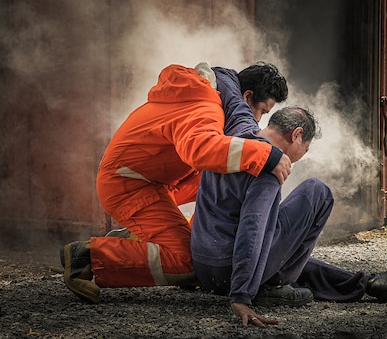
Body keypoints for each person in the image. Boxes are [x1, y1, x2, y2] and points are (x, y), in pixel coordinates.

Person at [61, 61, 289, 304]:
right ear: (247, 96)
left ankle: (132, 238)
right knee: (189, 261)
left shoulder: (202, 95)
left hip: (146, 181)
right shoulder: (206, 105)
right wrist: (266, 155)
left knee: (217, 190)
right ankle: (88, 256)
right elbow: (201, 150)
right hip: (128, 186)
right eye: (262, 112)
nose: (258, 121)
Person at [191, 106, 387, 328]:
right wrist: (241, 296)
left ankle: (367, 283)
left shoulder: (233, 139)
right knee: (317, 191)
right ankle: (274, 283)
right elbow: (252, 230)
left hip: (203, 269)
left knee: (277, 241)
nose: (301, 157)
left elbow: (232, 94)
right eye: (305, 149)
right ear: (297, 135)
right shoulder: (270, 165)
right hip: (230, 275)